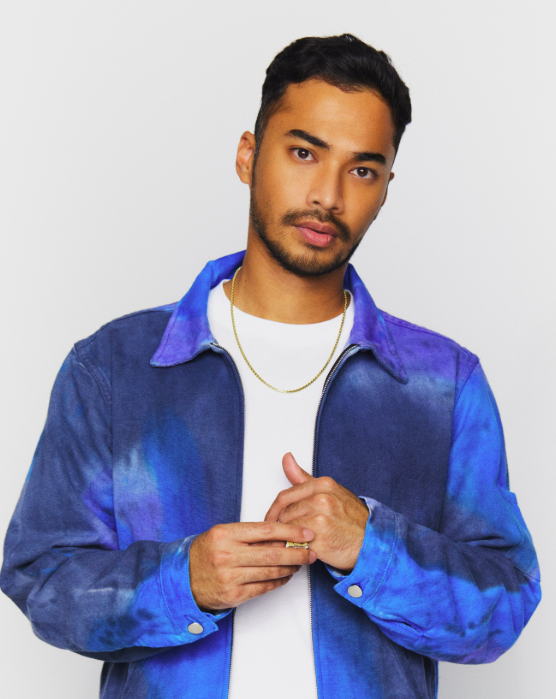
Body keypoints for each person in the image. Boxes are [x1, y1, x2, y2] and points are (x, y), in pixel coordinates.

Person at [0, 34, 541, 699]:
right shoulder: (114, 367)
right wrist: (184, 581)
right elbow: (40, 576)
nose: (328, 195)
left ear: (385, 189)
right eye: (304, 152)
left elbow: (505, 604)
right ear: (248, 155)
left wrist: (373, 548)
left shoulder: (444, 386)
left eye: (362, 170)